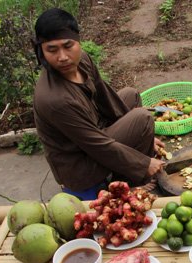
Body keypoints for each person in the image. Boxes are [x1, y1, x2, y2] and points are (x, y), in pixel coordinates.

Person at [32, 8, 165, 200]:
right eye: (52, 49)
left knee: (130, 95)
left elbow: (105, 97)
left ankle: (124, 173)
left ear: (78, 41)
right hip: (79, 164)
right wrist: (143, 163)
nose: (62, 57)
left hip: (93, 133)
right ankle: (125, 186)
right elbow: (97, 146)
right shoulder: (55, 99)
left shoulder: (82, 60)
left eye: (68, 46)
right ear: (41, 51)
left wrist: (141, 138)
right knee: (142, 118)